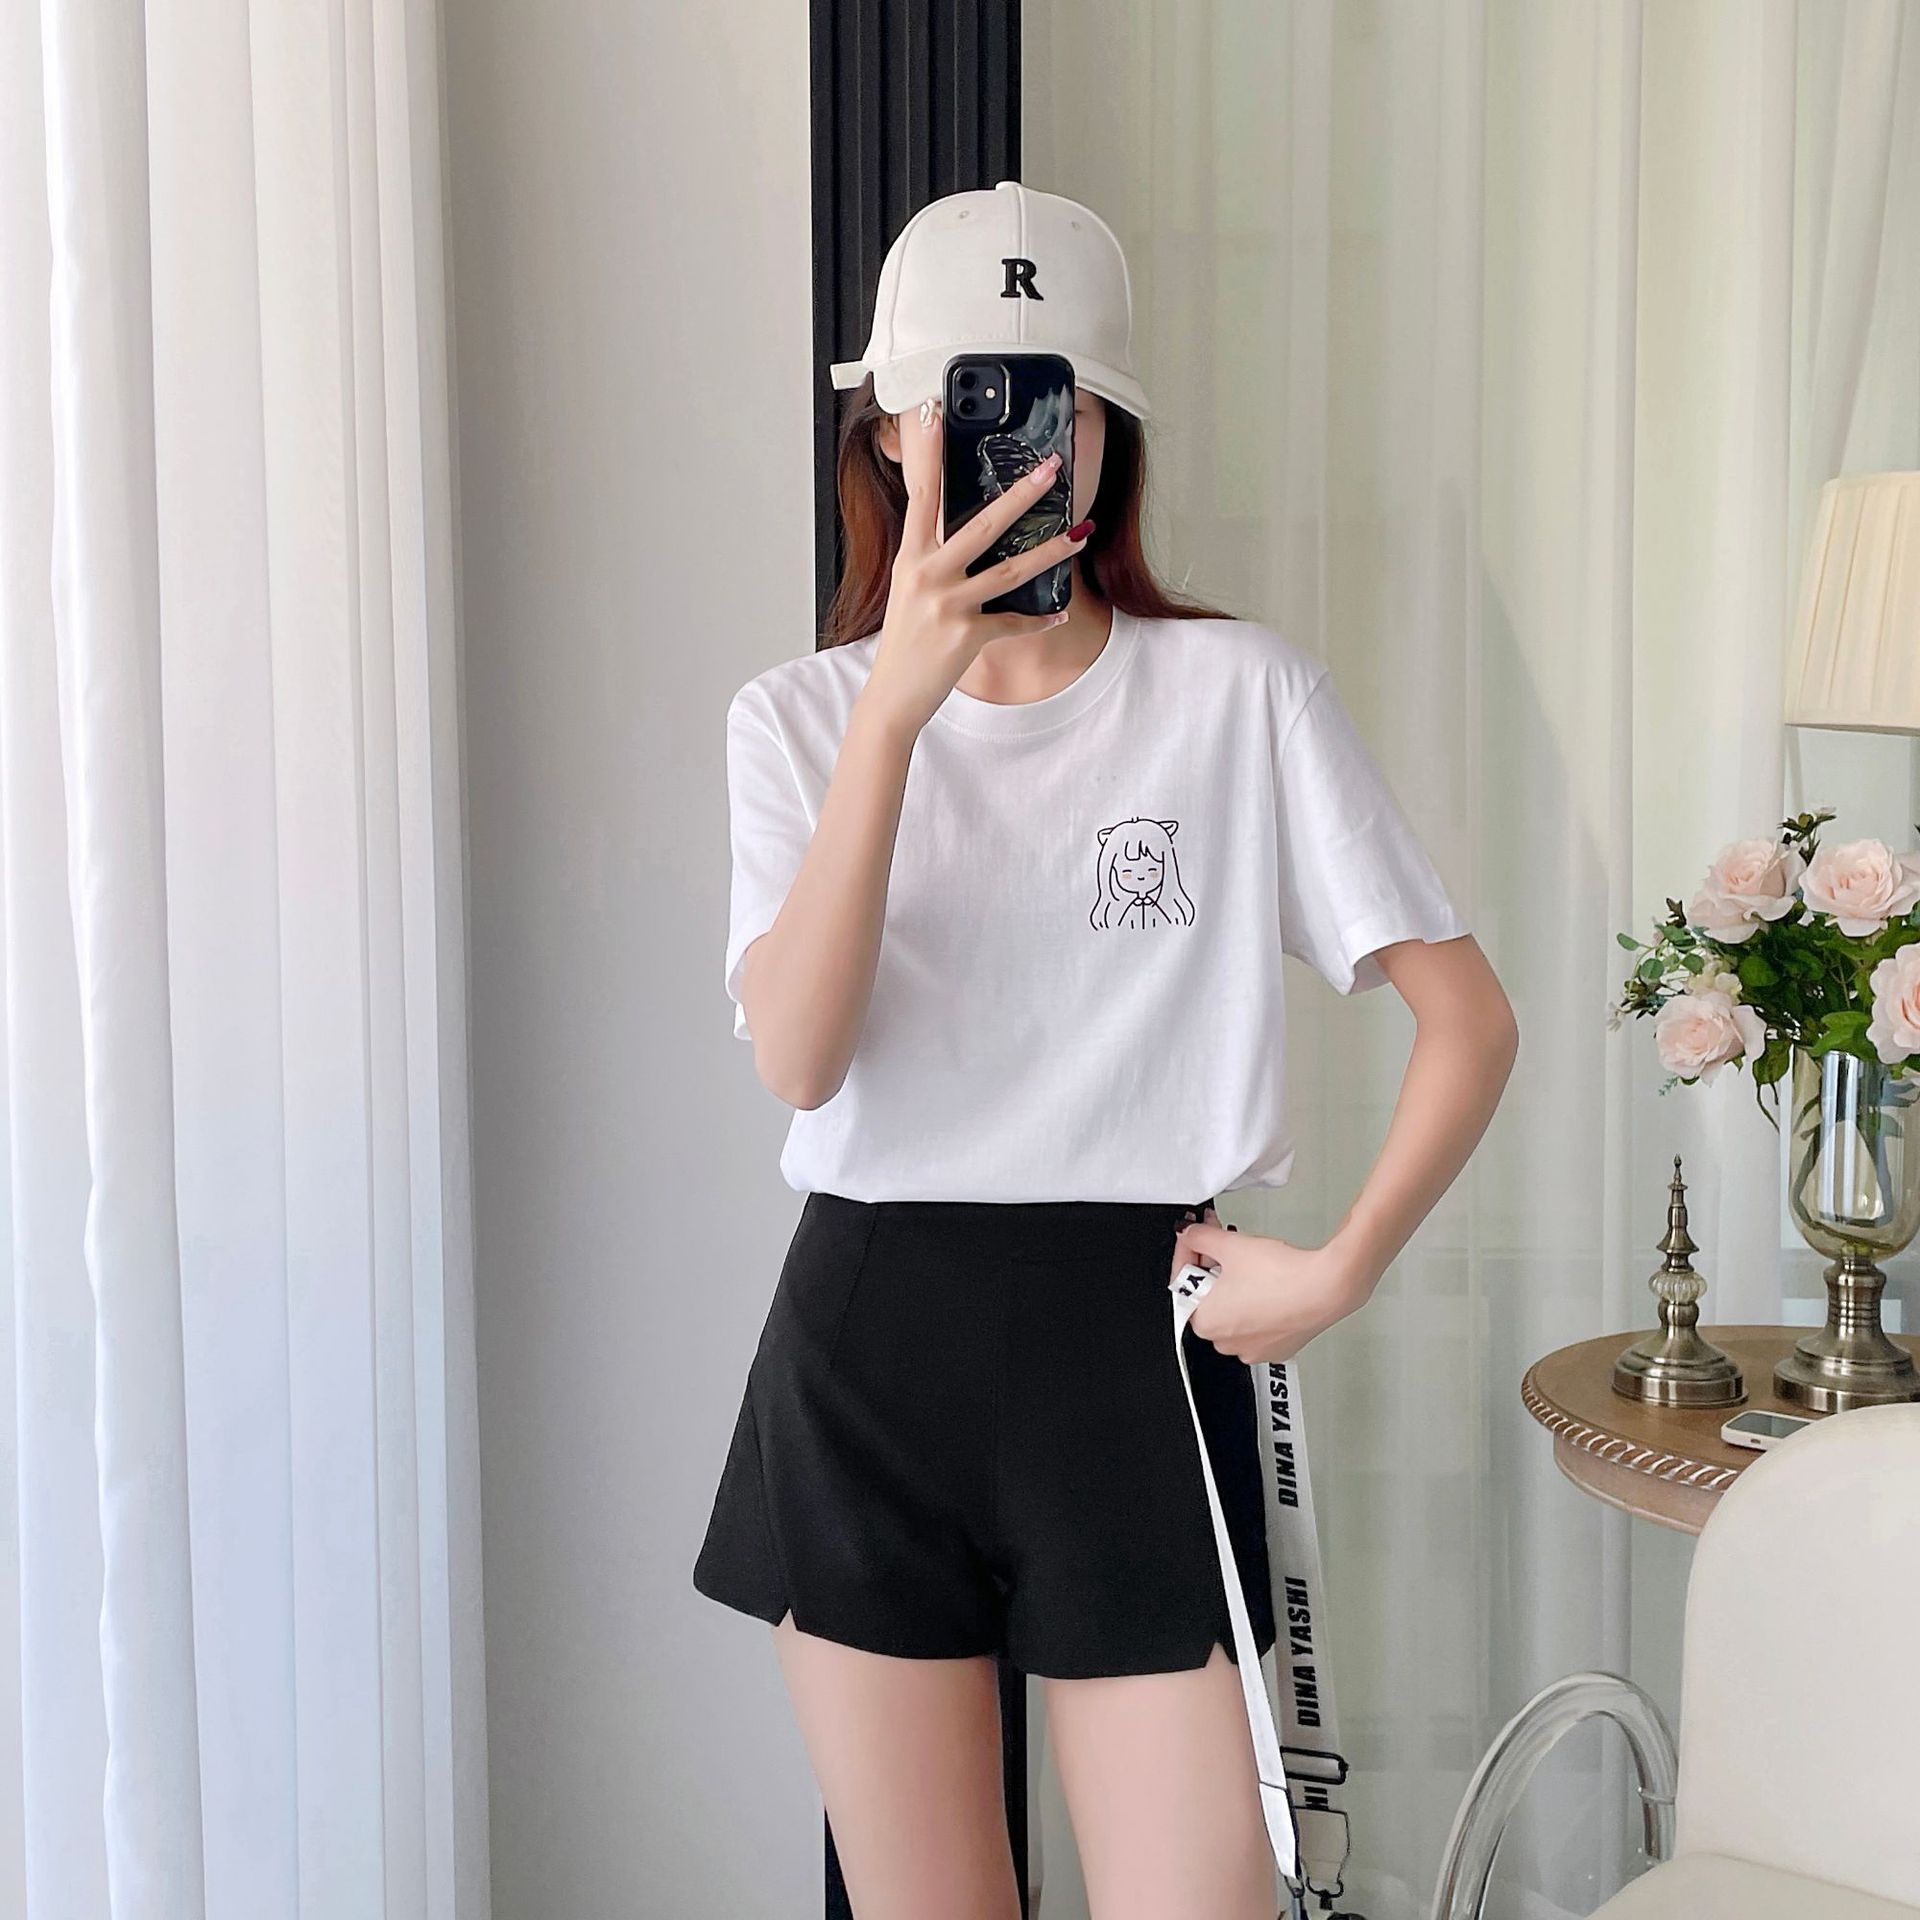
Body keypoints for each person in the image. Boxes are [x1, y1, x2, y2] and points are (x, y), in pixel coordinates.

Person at [693, 179, 1518, 1920]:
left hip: (1140, 1341)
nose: (1012, 451)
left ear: (1102, 434)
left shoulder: (1241, 696)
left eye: (1048, 406)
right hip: (869, 1345)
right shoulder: (797, 721)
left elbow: (1469, 1019)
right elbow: (800, 1059)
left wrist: (1342, 1268)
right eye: (963, 404)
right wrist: (895, 712)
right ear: (891, 432)